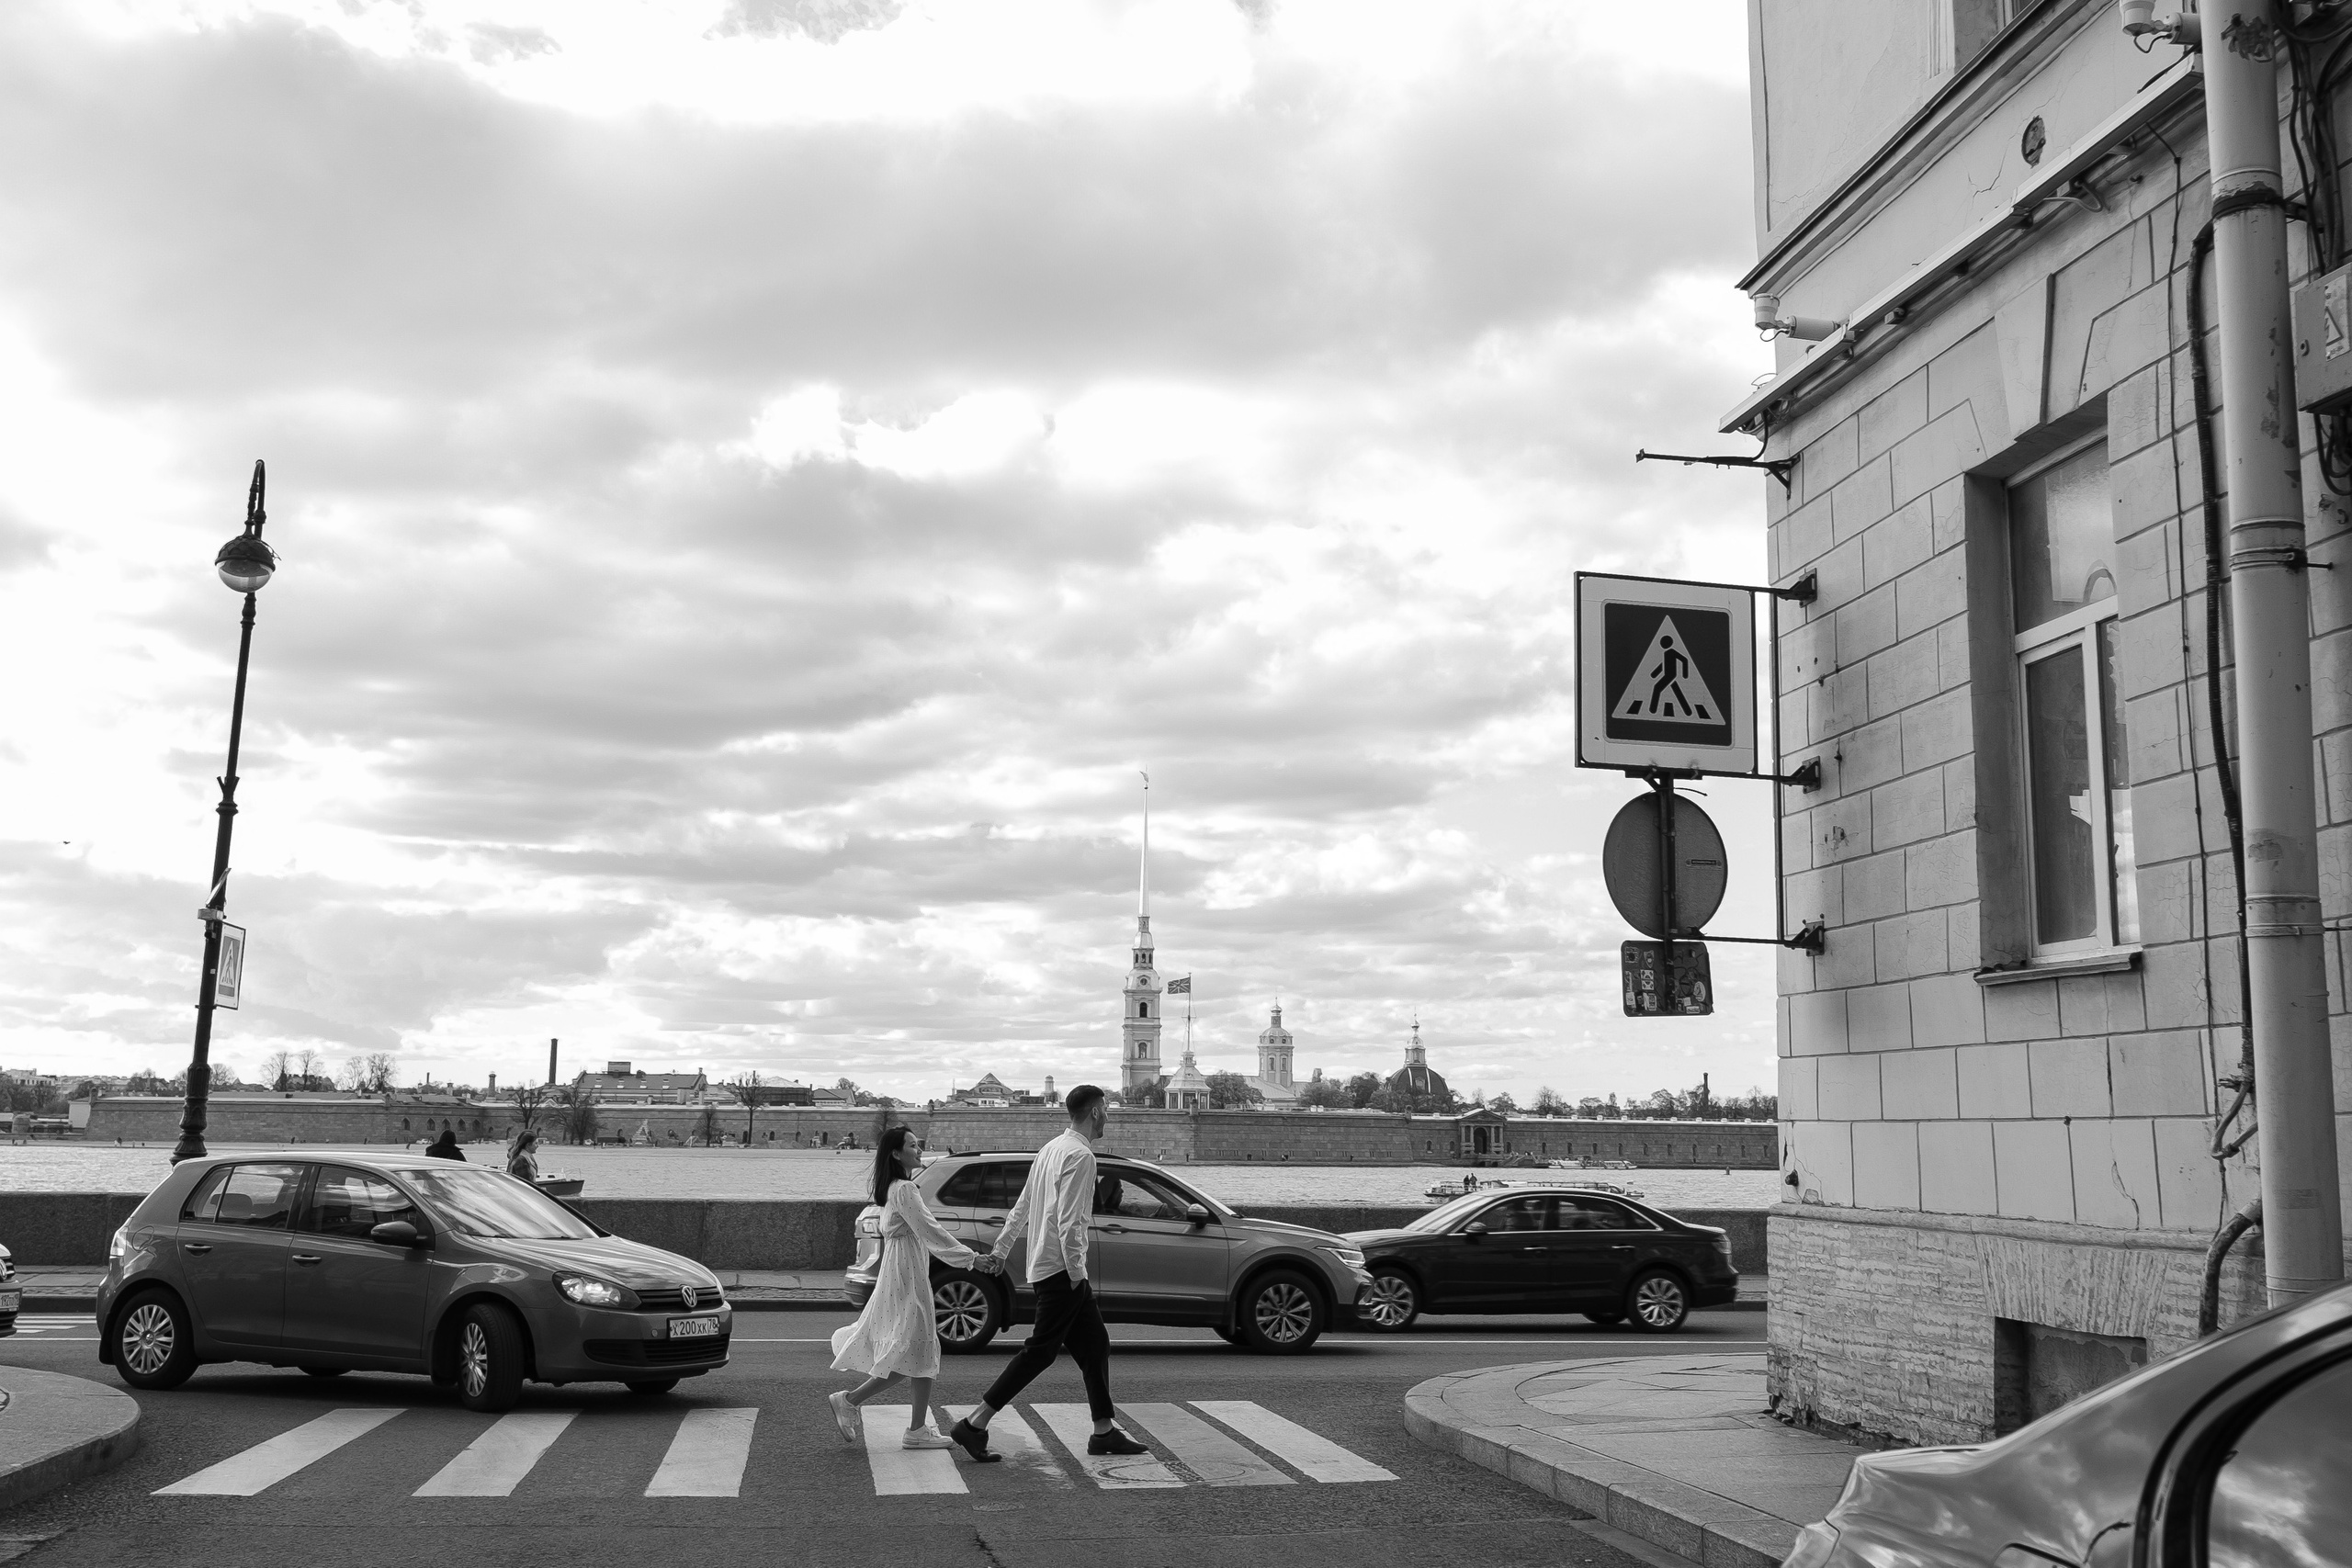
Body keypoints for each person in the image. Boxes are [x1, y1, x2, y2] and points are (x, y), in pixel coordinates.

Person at [945, 1084, 1148, 1462]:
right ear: (1094, 1113)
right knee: (1040, 1352)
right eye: (1105, 1107)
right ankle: (974, 1424)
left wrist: (1002, 1250)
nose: (1108, 1114)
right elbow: (1071, 1223)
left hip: (1048, 1266)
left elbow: (1022, 1206)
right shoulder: (1081, 1156)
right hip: (1060, 1270)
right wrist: (1075, 1272)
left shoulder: (1051, 1149)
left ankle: (1103, 1430)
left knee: (1094, 1345)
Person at [826, 1126, 1005, 1453]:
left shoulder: (895, 1188)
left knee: (917, 1352)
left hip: (902, 1274)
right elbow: (930, 1230)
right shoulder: (906, 1188)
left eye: (918, 1144)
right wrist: (972, 1259)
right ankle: (859, 1404)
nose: (919, 1149)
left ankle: (913, 1427)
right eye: (913, 1145)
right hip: (907, 1278)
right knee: (919, 1350)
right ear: (897, 1153)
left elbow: (924, 1231)